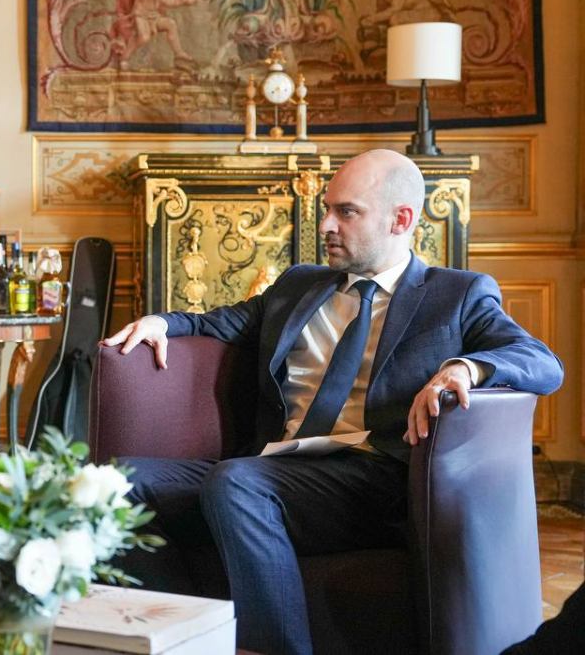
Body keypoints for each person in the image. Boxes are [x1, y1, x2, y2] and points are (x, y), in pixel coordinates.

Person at [101, 149, 562, 655]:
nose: (326, 225)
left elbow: (540, 361)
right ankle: (181, 638)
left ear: (400, 220)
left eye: (347, 212)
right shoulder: (299, 285)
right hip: (271, 465)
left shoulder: (455, 295)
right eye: (327, 209)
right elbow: (218, 323)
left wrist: (465, 368)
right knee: (113, 485)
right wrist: (161, 322)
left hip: (372, 483)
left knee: (237, 485)